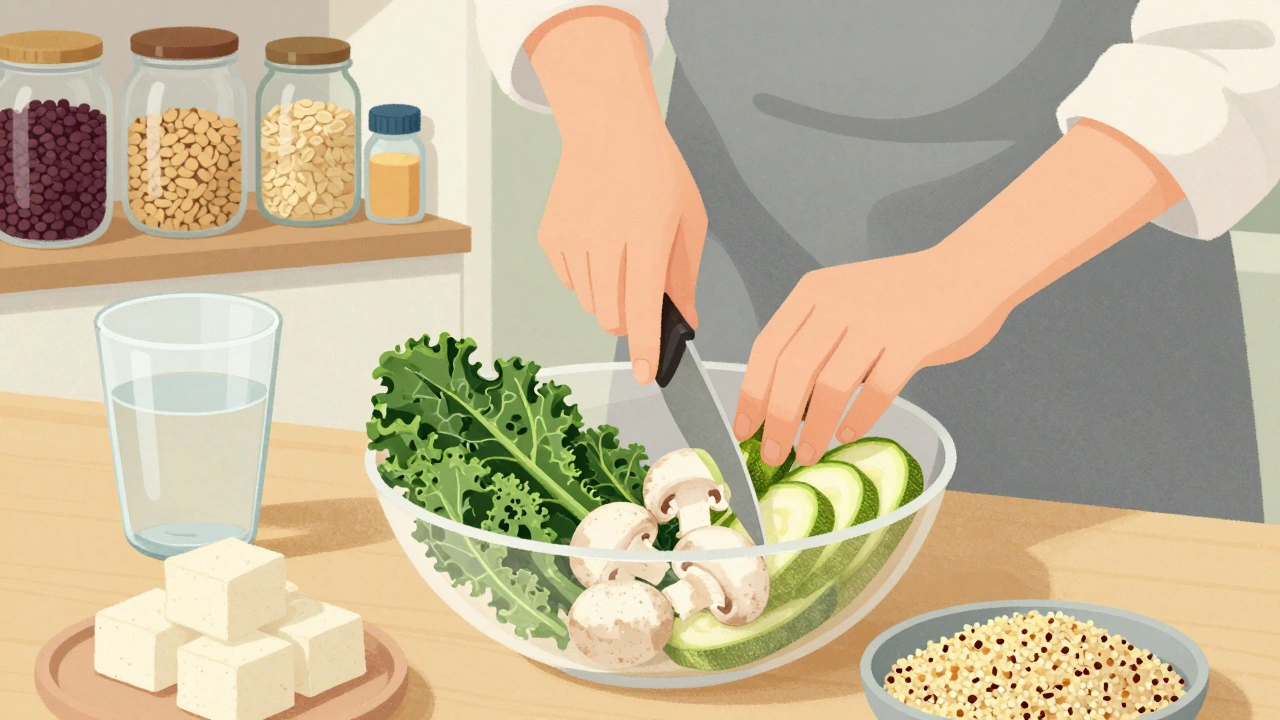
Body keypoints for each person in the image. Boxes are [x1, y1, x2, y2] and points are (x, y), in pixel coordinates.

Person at [474, 1, 1280, 522]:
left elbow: (1238, 46)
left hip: (1083, 285)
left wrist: (968, 272)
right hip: (722, 252)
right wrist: (607, 126)